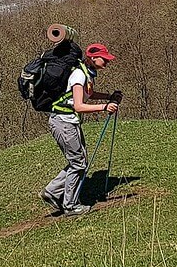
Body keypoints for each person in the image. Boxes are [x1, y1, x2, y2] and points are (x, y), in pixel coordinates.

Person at [41, 42, 120, 217]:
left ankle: (52, 192)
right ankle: (70, 205)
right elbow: (78, 105)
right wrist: (104, 107)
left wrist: (108, 96)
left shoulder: (87, 73)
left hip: (68, 122)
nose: (107, 62)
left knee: (79, 161)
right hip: (63, 122)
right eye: (104, 59)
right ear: (92, 58)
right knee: (78, 163)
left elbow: (88, 94)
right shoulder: (79, 74)